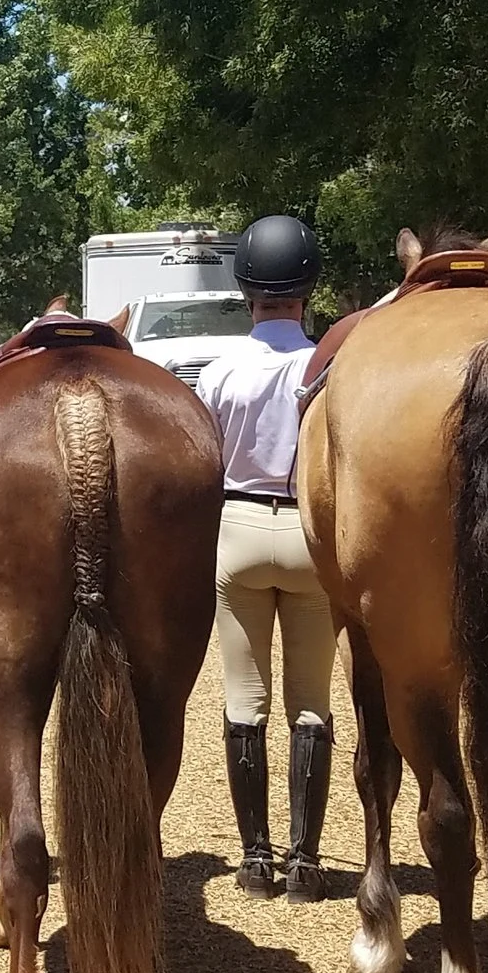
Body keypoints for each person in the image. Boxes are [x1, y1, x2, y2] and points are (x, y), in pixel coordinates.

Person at [191, 213, 337, 904]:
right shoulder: (329, 369)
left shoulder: (220, 372)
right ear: (307, 288)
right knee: (311, 702)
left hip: (238, 526)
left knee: (244, 698)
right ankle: (306, 861)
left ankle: (255, 859)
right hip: (310, 532)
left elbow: (201, 462)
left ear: (245, 286)